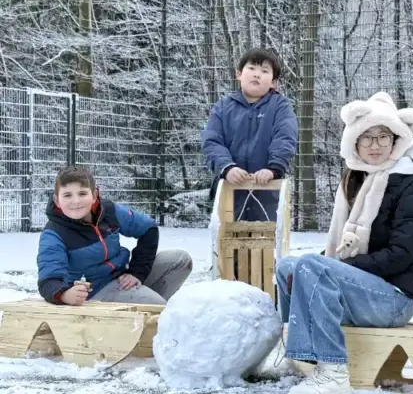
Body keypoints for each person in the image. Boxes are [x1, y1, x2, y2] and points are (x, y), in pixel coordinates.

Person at [275, 92, 413, 394]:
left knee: (311, 266)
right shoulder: (355, 181)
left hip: (395, 298)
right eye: (366, 137)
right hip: (363, 292)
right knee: (289, 267)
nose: (375, 145)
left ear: (397, 140)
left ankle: (333, 373)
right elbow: (338, 253)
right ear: (354, 142)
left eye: (383, 136)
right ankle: (299, 359)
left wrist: (335, 268)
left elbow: (401, 255)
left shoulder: (412, 185)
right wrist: (326, 267)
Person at [37, 165, 193, 306]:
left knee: (181, 260)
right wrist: (65, 295)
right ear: (57, 200)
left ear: (94, 195)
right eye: (67, 195)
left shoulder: (107, 211)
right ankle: (151, 309)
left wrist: (136, 273)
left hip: (121, 276)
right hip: (95, 290)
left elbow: (148, 228)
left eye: (82, 193)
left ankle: (143, 310)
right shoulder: (54, 233)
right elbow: (48, 280)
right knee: (157, 307)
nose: (76, 201)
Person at [201, 48, 298, 222]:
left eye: (264, 71)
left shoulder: (281, 107)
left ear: (273, 82)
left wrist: (273, 169)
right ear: (239, 74)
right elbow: (212, 141)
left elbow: (285, 137)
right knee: (227, 237)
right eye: (252, 68)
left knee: (265, 237)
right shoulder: (222, 107)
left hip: (267, 191)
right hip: (229, 191)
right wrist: (227, 168)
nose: (257, 74)